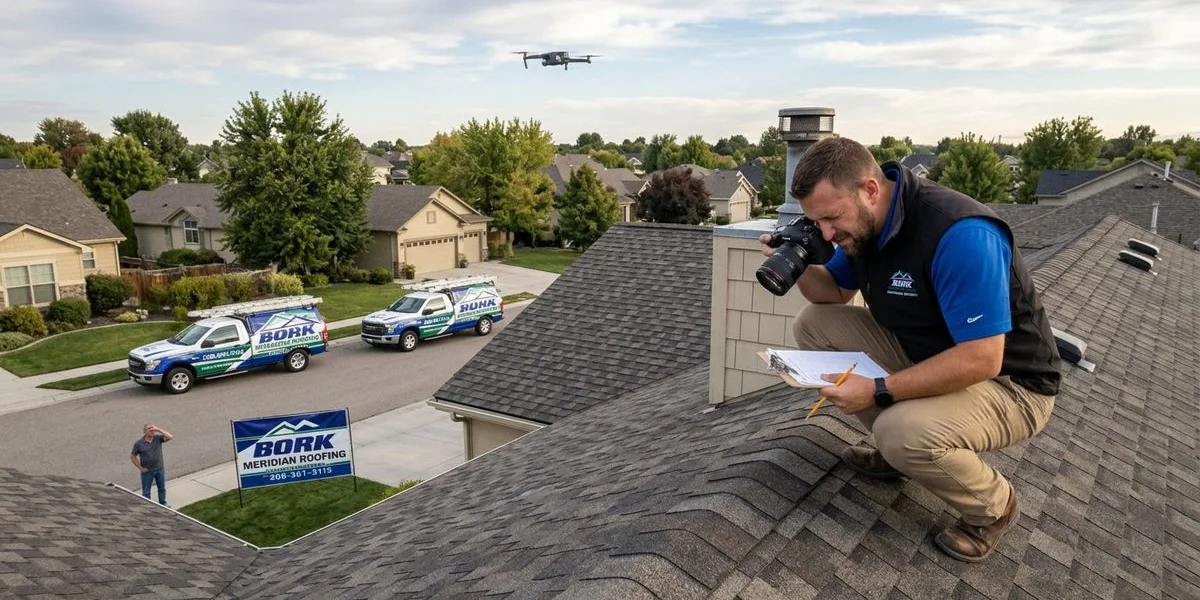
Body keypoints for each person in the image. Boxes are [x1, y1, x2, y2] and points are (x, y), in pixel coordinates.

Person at [761, 136, 1060, 562]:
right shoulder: (863, 226)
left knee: (899, 430)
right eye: (817, 222)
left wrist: (879, 390)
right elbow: (831, 294)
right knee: (814, 324)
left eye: (831, 218)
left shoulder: (959, 234)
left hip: (1012, 384)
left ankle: (993, 506)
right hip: (932, 355)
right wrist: (798, 259)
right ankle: (901, 454)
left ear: (869, 189)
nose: (827, 233)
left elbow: (983, 357)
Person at [131, 423, 174, 505]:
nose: (151, 430)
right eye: (149, 429)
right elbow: (133, 456)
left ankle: (163, 503)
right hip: (147, 471)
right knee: (146, 491)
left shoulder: (157, 438)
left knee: (161, 488)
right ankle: (148, 506)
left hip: (159, 469)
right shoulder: (139, 444)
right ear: (144, 432)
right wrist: (141, 468)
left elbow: (170, 437)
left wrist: (158, 429)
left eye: (152, 428)